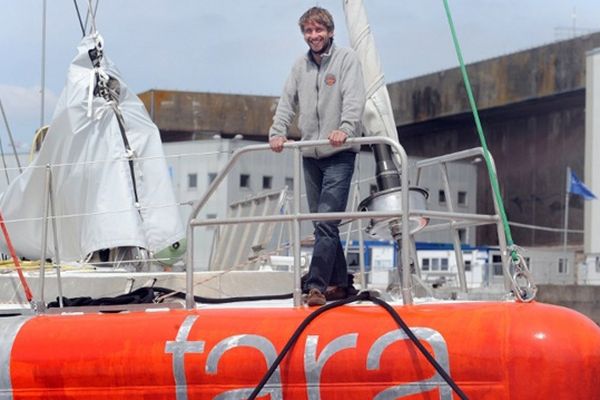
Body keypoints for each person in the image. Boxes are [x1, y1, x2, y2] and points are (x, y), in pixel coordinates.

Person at [269, 7, 365, 306]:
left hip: (338, 153)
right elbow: (287, 101)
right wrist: (277, 131)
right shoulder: (300, 66)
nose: (314, 36)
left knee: (325, 221)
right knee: (324, 223)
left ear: (330, 31)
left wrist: (345, 128)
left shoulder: (346, 59)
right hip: (310, 154)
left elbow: (354, 97)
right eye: (308, 32)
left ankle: (316, 286)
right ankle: (342, 283)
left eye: (318, 31)